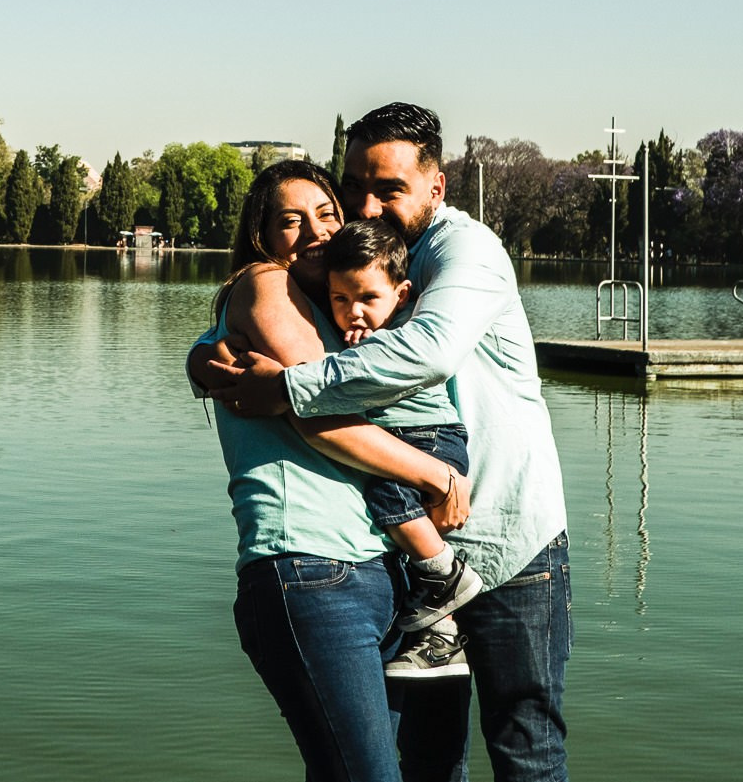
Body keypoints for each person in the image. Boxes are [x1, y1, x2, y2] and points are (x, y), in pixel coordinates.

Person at [208, 104, 572, 782]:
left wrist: (289, 387)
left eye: (390, 188)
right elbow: (254, 317)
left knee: (527, 749)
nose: (366, 204)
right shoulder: (345, 263)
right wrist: (209, 358)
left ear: (437, 185)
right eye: (356, 186)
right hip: (413, 559)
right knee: (429, 760)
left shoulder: (466, 252)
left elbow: (427, 352)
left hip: (507, 542)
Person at [186, 159, 472, 781]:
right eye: (291, 221)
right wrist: (437, 475)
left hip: (376, 572)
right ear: (262, 235)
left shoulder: (339, 310)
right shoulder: (265, 283)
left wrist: (200, 359)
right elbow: (319, 410)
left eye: (326, 214)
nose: (314, 231)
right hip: (309, 567)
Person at [320, 217, 481, 676]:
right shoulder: (367, 335)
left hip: (430, 440)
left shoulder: (396, 341)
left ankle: (449, 576)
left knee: (385, 492)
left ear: (401, 295)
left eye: (368, 299)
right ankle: (441, 636)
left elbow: (352, 386)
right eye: (340, 299)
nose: (354, 312)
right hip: (415, 443)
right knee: (401, 541)